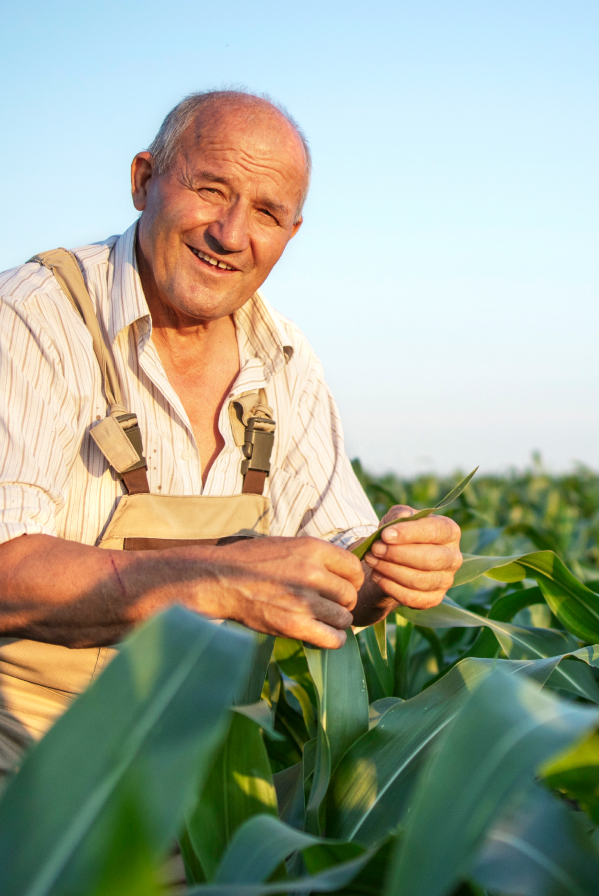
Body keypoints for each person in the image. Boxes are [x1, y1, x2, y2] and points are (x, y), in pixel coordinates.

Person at [0, 89, 463, 769]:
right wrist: (216, 577)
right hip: (29, 758)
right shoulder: (35, 317)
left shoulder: (284, 358)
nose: (231, 233)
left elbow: (340, 560)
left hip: (200, 770)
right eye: (211, 190)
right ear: (143, 181)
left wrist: (389, 568)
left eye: (267, 213)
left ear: (291, 234)